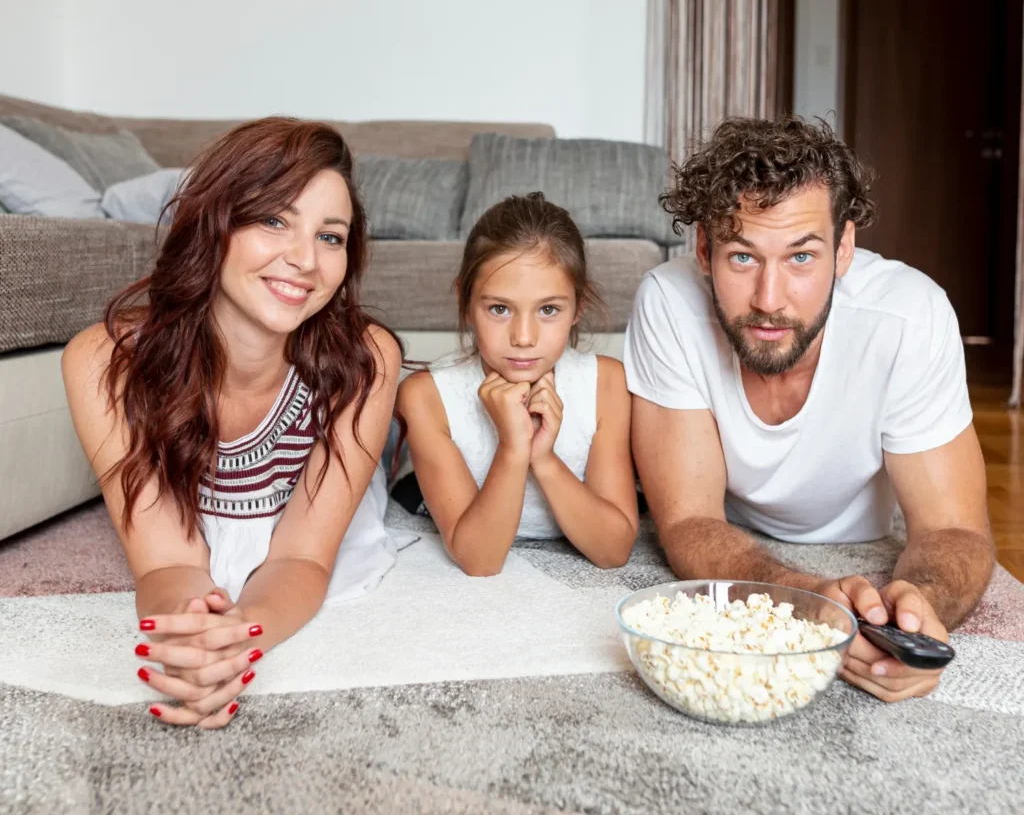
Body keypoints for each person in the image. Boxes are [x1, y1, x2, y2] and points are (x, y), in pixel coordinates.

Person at [625, 116, 994, 704]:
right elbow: (690, 521)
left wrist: (919, 606)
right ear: (704, 249)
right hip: (734, 530)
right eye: (742, 258)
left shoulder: (908, 318)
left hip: (865, 536)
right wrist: (803, 599)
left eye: (801, 257)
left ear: (844, 249)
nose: (769, 300)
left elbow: (954, 529)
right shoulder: (668, 303)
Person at [62, 117, 403, 729]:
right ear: (214, 222)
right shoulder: (103, 361)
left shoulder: (366, 358)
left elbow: (303, 557)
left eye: (330, 236)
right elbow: (167, 563)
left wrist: (239, 642)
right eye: (273, 220)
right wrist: (192, 641)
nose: (305, 260)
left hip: (319, 496)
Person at [397, 192, 638, 575]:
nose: (523, 337)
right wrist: (513, 447)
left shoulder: (606, 383)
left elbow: (613, 551)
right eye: (499, 308)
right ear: (465, 301)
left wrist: (542, 457)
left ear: (579, 306)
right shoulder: (425, 396)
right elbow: (480, 560)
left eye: (548, 309)